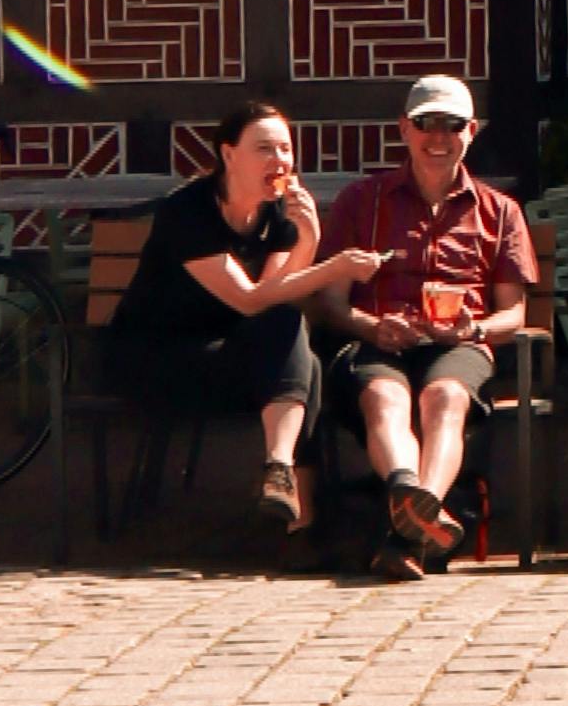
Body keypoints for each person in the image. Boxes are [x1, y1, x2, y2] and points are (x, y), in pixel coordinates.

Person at [315, 74, 539, 572]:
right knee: (383, 396)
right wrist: (372, 326)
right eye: (425, 124)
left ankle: (414, 516)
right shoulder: (361, 201)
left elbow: (514, 314)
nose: (438, 138)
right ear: (403, 129)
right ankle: (412, 511)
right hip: (380, 338)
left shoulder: (499, 212)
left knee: (444, 397)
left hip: (458, 344)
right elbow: (330, 302)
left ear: (472, 130)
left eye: (451, 125)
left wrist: (472, 329)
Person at [102, 97, 329, 539]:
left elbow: (276, 291)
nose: (279, 160)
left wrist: (308, 240)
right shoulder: (186, 211)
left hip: (225, 356)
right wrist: (330, 267)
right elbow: (250, 301)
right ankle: (301, 527)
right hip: (155, 359)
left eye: (285, 149)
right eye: (265, 149)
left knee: (298, 341)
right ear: (228, 155)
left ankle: (283, 482)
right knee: (296, 348)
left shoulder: (278, 212)